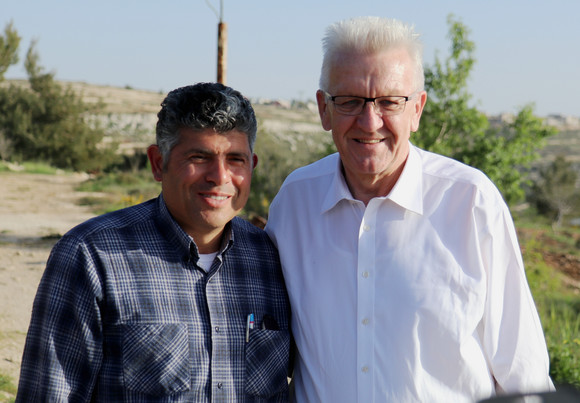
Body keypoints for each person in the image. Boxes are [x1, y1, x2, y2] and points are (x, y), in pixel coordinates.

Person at [265, 16, 554, 403]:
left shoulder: (471, 202)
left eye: (389, 101)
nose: (370, 122)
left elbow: (522, 375)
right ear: (323, 110)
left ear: (416, 109)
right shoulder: (294, 204)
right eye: (349, 101)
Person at [16, 82, 291, 402]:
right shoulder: (90, 256)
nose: (219, 176)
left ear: (252, 166)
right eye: (199, 156)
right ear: (158, 163)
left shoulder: (274, 259)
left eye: (235, 160)